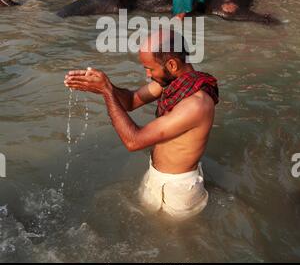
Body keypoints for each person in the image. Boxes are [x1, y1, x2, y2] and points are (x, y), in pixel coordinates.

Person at [64, 28, 219, 219]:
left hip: (179, 191)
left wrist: (106, 92)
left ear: (171, 64)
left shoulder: (196, 104)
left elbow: (133, 141)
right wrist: (105, 86)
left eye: (150, 68)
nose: (147, 74)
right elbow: (130, 101)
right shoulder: (170, 83)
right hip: (157, 176)